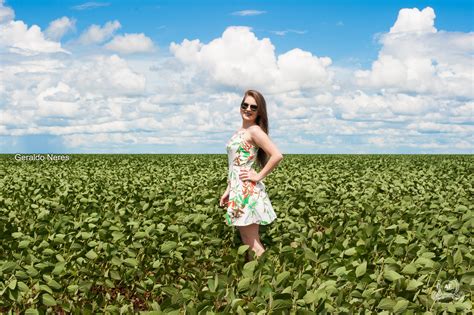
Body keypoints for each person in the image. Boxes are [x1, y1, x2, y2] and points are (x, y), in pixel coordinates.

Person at [219, 89, 283, 260]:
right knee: (246, 240)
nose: (248, 109)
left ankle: (266, 277)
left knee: (250, 240)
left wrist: (258, 176)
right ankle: (253, 277)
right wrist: (229, 190)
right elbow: (235, 165)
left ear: (259, 111)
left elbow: (277, 155)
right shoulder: (240, 131)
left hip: (246, 192)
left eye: (253, 107)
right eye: (244, 105)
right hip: (237, 190)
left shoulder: (254, 131)